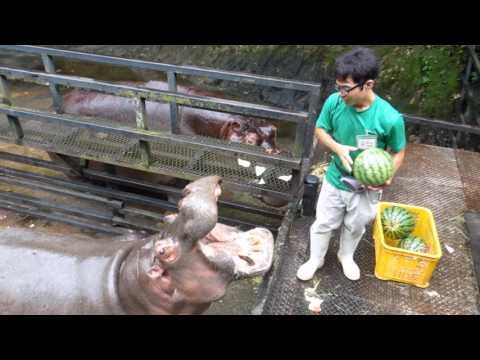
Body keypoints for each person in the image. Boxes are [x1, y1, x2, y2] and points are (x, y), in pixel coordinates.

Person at [297, 47, 407, 282]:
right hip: (336, 177)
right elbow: (320, 129)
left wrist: (387, 176)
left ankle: (346, 256)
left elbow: (398, 151)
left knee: (355, 226)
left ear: (368, 85)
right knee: (323, 223)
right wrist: (337, 148)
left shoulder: (390, 118)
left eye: (346, 88)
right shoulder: (335, 102)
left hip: (366, 187)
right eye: (339, 87)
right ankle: (315, 259)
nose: (341, 93)